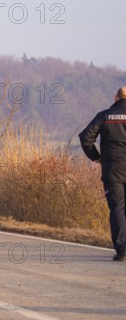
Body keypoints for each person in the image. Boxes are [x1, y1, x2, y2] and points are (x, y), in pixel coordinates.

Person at [79, 87, 126, 261]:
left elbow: (85, 138)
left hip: (112, 169)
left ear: (115, 98)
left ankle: (122, 251)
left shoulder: (104, 116)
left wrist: (96, 157)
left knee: (117, 208)